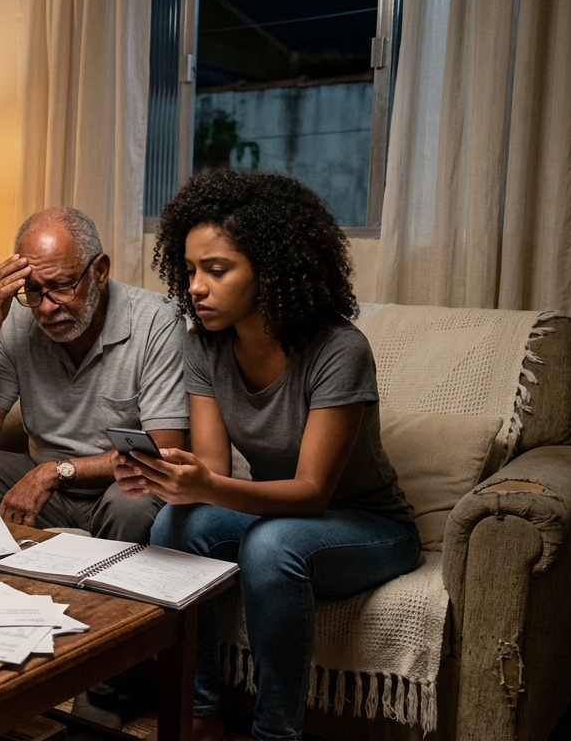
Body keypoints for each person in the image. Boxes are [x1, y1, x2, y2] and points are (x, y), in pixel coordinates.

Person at [118, 170, 418, 740]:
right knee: (175, 523)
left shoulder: (338, 349)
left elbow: (311, 492)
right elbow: (213, 470)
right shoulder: (203, 343)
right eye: (189, 270)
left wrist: (204, 486)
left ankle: (276, 733)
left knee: (271, 544)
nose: (197, 287)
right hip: (280, 514)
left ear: (272, 269)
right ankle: (197, 715)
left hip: (367, 526)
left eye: (217, 269)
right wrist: (165, 475)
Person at [0, 207, 187, 541]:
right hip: (48, 490)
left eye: (62, 287)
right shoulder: (18, 317)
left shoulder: (157, 321)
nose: (46, 307)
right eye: (34, 290)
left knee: (135, 501)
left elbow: (162, 453)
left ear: (99, 271)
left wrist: (54, 472)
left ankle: (106, 593)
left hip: (119, 485)